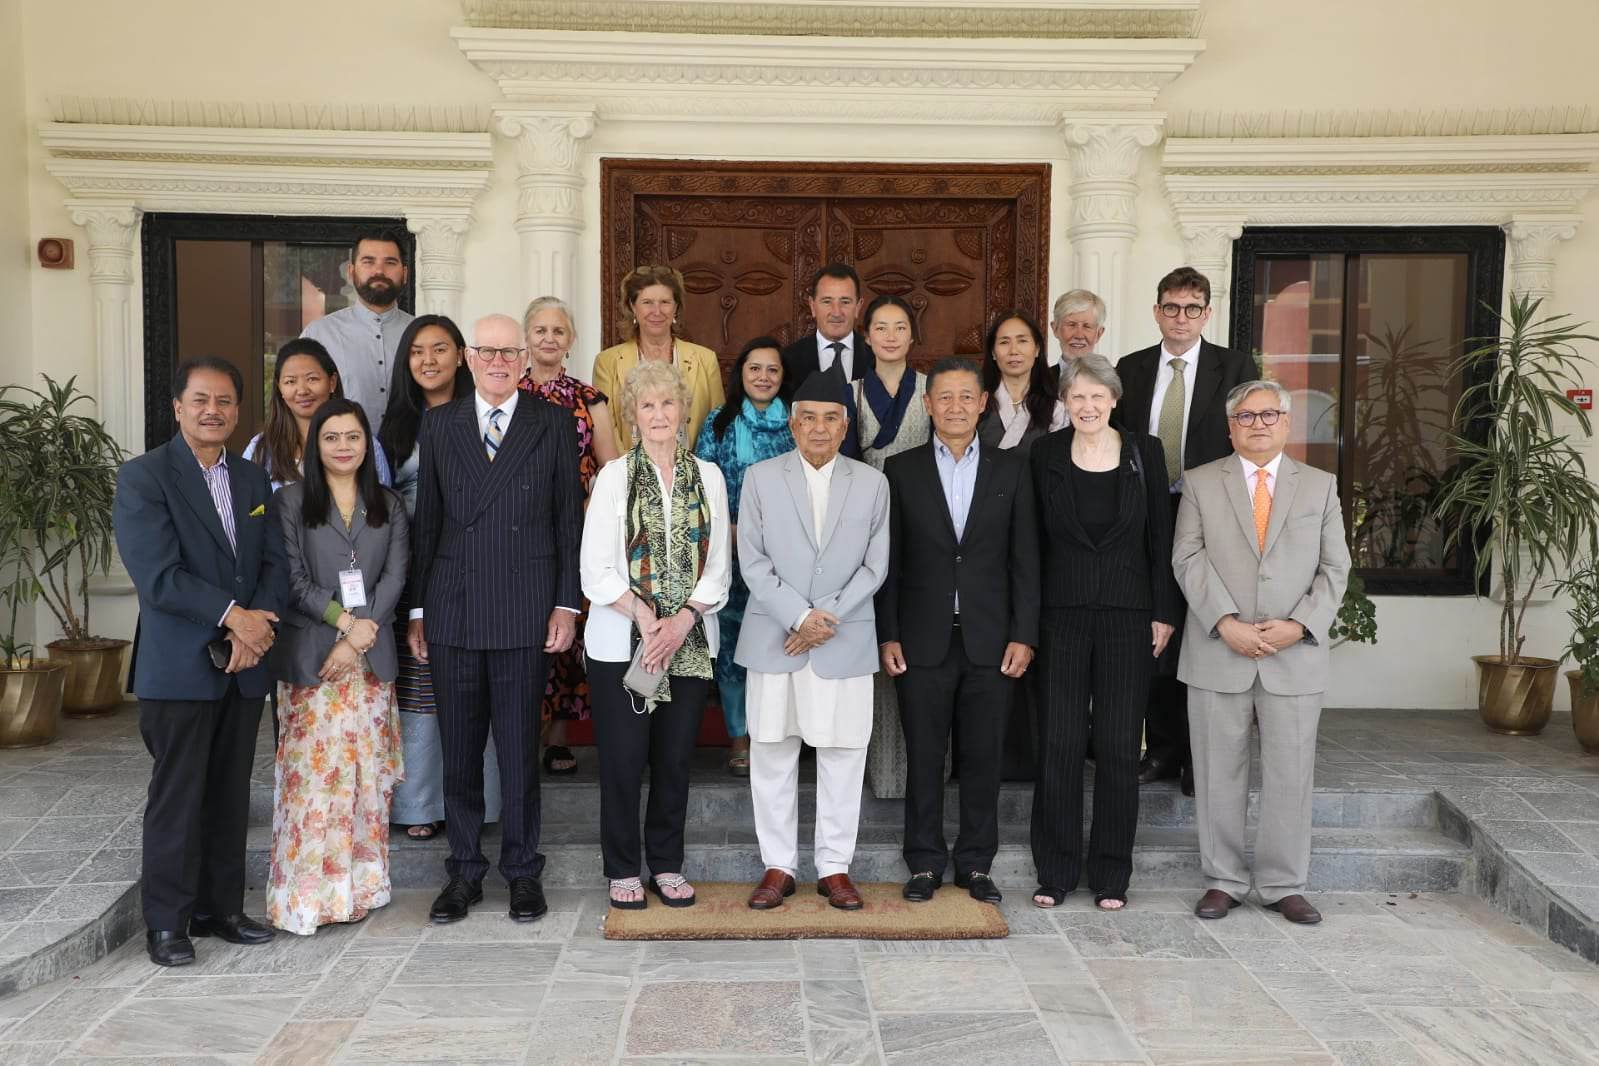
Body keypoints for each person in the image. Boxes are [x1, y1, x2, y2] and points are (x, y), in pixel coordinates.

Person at [406, 313, 583, 924]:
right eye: (488, 351)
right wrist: (419, 609)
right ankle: (463, 872)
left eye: (511, 351)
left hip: (526, 609)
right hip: (453, 606)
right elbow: (426, 521)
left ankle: (522, 871)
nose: (500, 361)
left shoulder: (553, 423)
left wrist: (567, 602)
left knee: (516, 752)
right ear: (468, 358)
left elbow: (568, 520)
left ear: (524, 360)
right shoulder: (439, 424)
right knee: (458, 751)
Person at [113, 357, 286, 967]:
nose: (213, 411)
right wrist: (233, 616)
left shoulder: (252, 479)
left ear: (238, 412)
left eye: (225, 402)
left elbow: (273, 563)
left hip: (245, 665)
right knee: (178, 796)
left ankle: (222, 909)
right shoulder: (144, 478)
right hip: (180, 667)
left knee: (229, 794)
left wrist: (255, 627)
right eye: (201, 400)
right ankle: (168, 923)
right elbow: (159, 576)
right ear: (178, 407)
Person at [1174, 380, 1350, 926]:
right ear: (1230, 427)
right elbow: (1188, 557)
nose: (1257, 424)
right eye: (1246, 417)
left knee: (1290, 774)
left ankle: (1282, 884)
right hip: (1217, 648)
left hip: (1292, 654)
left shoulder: (1320, 486)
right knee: (1216, 769)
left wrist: (1299, 625)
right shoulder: (1201, 483)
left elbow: (1335, 568)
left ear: (1286, 423)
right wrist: (1223, 621)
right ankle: (1222, 880)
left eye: (1268, 415)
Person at [878, 357, 1039, 906]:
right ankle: (923, 862)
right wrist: (888, 633)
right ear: (928, 405)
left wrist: (1024, 634)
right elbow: (890, 562)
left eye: (965, 397)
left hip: (991, 641)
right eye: (943, 397)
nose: (954, 407)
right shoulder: (900, 471)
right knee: (924, 755)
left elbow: (1026, 561)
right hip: (921, 639)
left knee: (982, 756)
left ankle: (975, 864)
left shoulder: (1012, 468)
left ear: (982, 403)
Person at [1028, 355, 1179, 911]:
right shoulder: (1043, 455)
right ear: (1064, 402)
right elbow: (1031, 543)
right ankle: (1057, 869)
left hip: (1128, 615)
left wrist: (1163, 611)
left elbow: (1161, 537)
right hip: (1060, 615)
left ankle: (1112, 873)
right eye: (1077, 397)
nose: (1087, 406)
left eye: (1097, 397)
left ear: (1114, 400)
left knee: (1118, 746)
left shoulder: (1145, 452)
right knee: (1060, 745)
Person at [736, 370, 891, 911]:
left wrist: (823, 620)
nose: (819, 428)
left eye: (830, 418)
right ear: (792, 423)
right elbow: (752, 562)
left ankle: (834, 866)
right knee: (773, 750)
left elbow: (876, 565)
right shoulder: (760, 478)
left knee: (845, 752)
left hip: (842, 639)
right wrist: (799, 616)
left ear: (845, 424)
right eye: (808, 418)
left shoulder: (872, 482)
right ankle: (778, 865)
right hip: (776, 638)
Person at [582, 362, 732, 909]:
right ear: (632, 416)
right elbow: (593, 569)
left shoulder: (709, 476)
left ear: (683, 411)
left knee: (673, 760)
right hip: (624, 641)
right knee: (623, 760)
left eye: (668, 404)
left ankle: (666, 864)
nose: (659, 414)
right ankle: (623, 868)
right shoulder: (615, 477)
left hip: (689, 644)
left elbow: (720, 568)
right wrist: (646, 621)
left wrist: (684, 619)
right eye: (648, 406)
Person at [1115, 267, 1258, 797]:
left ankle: (1202, 756)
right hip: (1148, 516)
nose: (1181, 317)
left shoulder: (1235, 366)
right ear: (1157, 311)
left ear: (1207, 313)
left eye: (1192, 308)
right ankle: (1165, 749)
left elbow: (1247, 434)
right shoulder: (1130, 368)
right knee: (1156, 629)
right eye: (1172, 307)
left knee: (1206, 629)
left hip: (1213, 513)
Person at [267, 398, 407, 934]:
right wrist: (345, 626)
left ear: (366, 444)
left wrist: (360, 633)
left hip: (369, 664)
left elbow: (394, 578)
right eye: (332, 437)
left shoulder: (388, 505)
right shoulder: (290, 503)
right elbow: (294, 581)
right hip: (315, 662)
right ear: (315, 444)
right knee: (313, 783)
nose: (343, 446)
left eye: (353, 437)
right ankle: (306, 898)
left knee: (364, 781)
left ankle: (360, 889)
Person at [378, 315, 503, 840]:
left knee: (476, 687)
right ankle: (420, 804)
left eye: (440, 349)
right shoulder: (392, 429)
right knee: (420, 684)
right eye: (417, 352)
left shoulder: (485, 416)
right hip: (409, 569)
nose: (429, 360)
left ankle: (479, 801)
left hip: (475, 566)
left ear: (462, 356)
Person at [521, 296, 621, 775]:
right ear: (526, 336)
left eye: (558, 331)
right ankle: (520, 731)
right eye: (540, 330)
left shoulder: (590, 398)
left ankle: (557, 738)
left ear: (571, 340)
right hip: (518, 531)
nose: (548, 338)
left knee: (567, 628)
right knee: (522, 629)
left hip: (577, 530)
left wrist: (586, 508)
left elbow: (613, 469)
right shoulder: (506, 393)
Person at [694, 337, 795, 776]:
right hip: (730, 554)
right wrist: (730, 532)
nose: (764, 377)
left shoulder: (798, 421)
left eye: (772, 370)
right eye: (755, 369)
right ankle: (740, 739)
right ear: (741, 373)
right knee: (734, 650)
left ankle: (778, 739)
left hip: (785, 557)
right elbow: (701, 486)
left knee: (779, 642)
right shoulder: (719, 421)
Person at [853, 294, 931, 799]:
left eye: (899, 326)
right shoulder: (849, 391)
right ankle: (881, 773)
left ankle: (923, 771)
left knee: (918, 638)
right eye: (880, 327)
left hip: (924, 519)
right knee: (877, 635)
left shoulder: (931, 390)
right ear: (867, 336)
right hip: (866, 519)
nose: (889, 335)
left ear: (911, 335)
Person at [592, 264, 725, 455]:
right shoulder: (608, 362)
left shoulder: (705, 359)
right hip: (628, 475)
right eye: (647, 302)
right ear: (632, 307)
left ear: (676, 307)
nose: (657, 311)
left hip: (691, 475)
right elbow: (606, 430)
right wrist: (624, 476)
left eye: (665, 302)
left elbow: (717, 427)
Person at [301, 227, 414, 432]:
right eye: (368, 261)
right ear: (351, 272)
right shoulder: (318, 335)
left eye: (390, 262)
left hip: (415, 461)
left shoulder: (421, 335)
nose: (379, 271)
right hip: (342, 459)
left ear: (405, 274)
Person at [243, 338, 392, 490]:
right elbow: (246, 506)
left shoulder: (362, 443)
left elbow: (380, 505)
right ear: (279, 388)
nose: (302, 390)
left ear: (332, 382)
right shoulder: (261, 448)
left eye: (312, 379)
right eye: (290, 381)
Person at [779, 263, 875, 401]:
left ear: (858, 307)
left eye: (845, 302)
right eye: (827, 301)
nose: (836, 312)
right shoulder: (788, 359)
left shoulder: (877, 357)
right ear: (812, 306)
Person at [979, 310, 1066, 452]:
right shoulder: (977, 402)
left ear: (1037, 349)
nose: (1014, 350)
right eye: (1004, 342)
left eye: (1022, 341)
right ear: (993, 353)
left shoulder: (1056, 408)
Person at [1051, 289, 1107, 361]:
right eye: (1071, 325)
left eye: (1087, 326)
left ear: (1099, 334)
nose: (1079, 335)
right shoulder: (1039, 372)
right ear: (1055, 329)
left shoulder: (1114, 372)